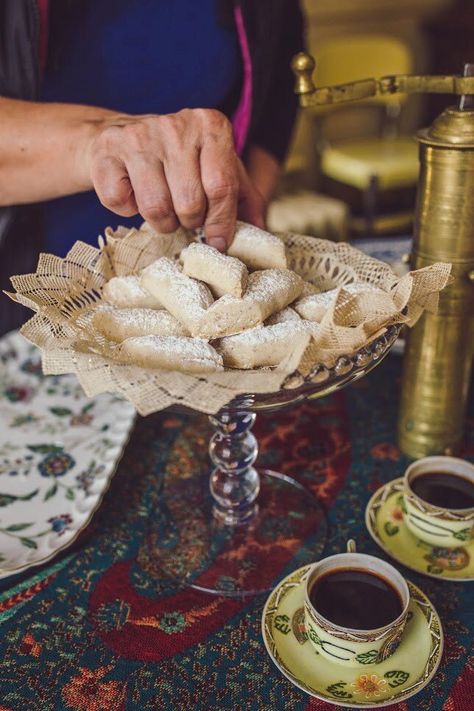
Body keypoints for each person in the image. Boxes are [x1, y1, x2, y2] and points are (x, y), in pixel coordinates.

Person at [0, 0, 304, 332]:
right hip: (26, 311)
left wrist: (244, 216)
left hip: (200, 306)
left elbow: (280, 67)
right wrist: (100, 141)